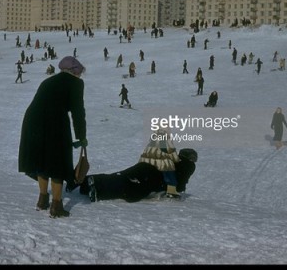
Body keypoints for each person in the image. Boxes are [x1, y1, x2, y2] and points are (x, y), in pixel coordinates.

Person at [18, 56, 88, 218]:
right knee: (58, 162)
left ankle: (42, 200)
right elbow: (78, 111)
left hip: (32, 121)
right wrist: (82, 136)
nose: (80, 75)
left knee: (42, 160)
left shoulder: (48, 81)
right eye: (80, 72)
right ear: (75, 70)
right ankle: (56, 205)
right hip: (54, 122)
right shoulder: (76, 83)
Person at [78, 148, 197, 203]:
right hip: (151, 176)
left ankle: (89, 181)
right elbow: (179, 184)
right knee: (128, 189)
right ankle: (98, 191)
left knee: (121, 176)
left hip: (145, 166)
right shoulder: (188, 165)